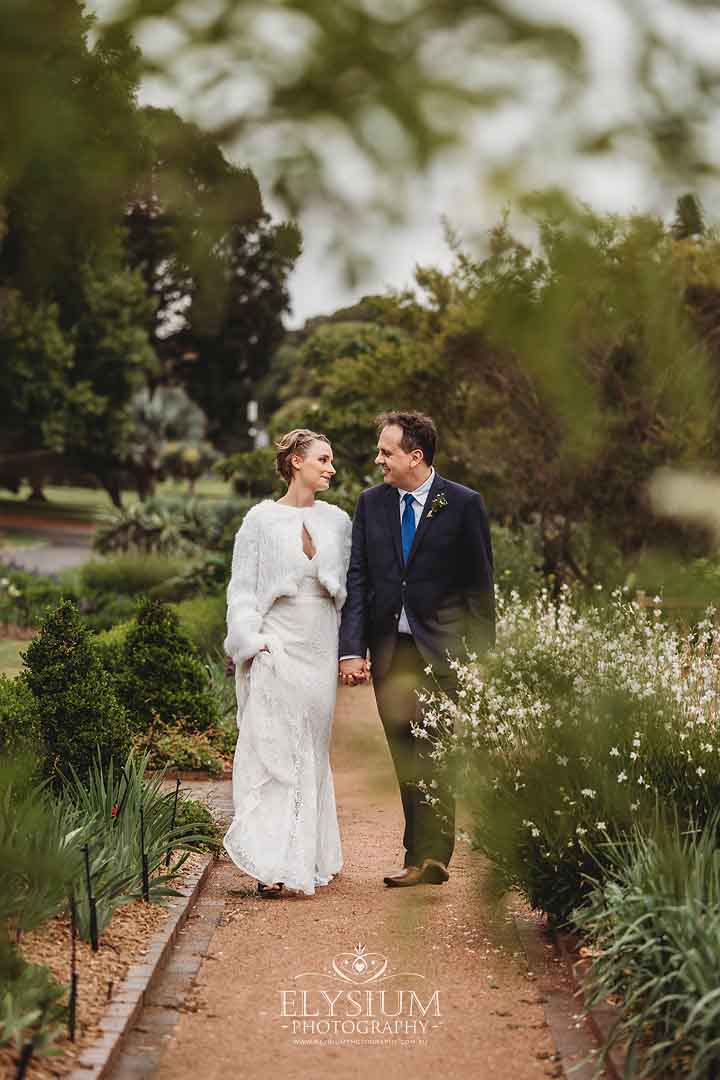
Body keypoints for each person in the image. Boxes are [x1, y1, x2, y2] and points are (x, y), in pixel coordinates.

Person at [339, 411, 495, 888]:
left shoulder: (464, 504)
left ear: (415, 456)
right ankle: (420, 855)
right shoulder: (371, 504)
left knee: (435, 752)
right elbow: (359, 578)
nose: (378, 460)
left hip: (441, 651)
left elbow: (479, 586)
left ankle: (429, 857)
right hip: (390, 650)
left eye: (386, 452)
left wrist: (483, 659)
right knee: (405, 755)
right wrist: (351, 649)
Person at [222, 429, 351, 898]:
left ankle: (306, 854)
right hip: (277, 644)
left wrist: (353, 649)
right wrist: (250, 641)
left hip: (320, 643)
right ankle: (272, 863)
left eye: (331, 460)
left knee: (311, 750)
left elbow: (351, 593)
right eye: (323, 459)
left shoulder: (338, 521)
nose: (331, 468)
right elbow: (241, 589)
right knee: (275, 745)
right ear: (296, 461)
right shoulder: (259, 520)